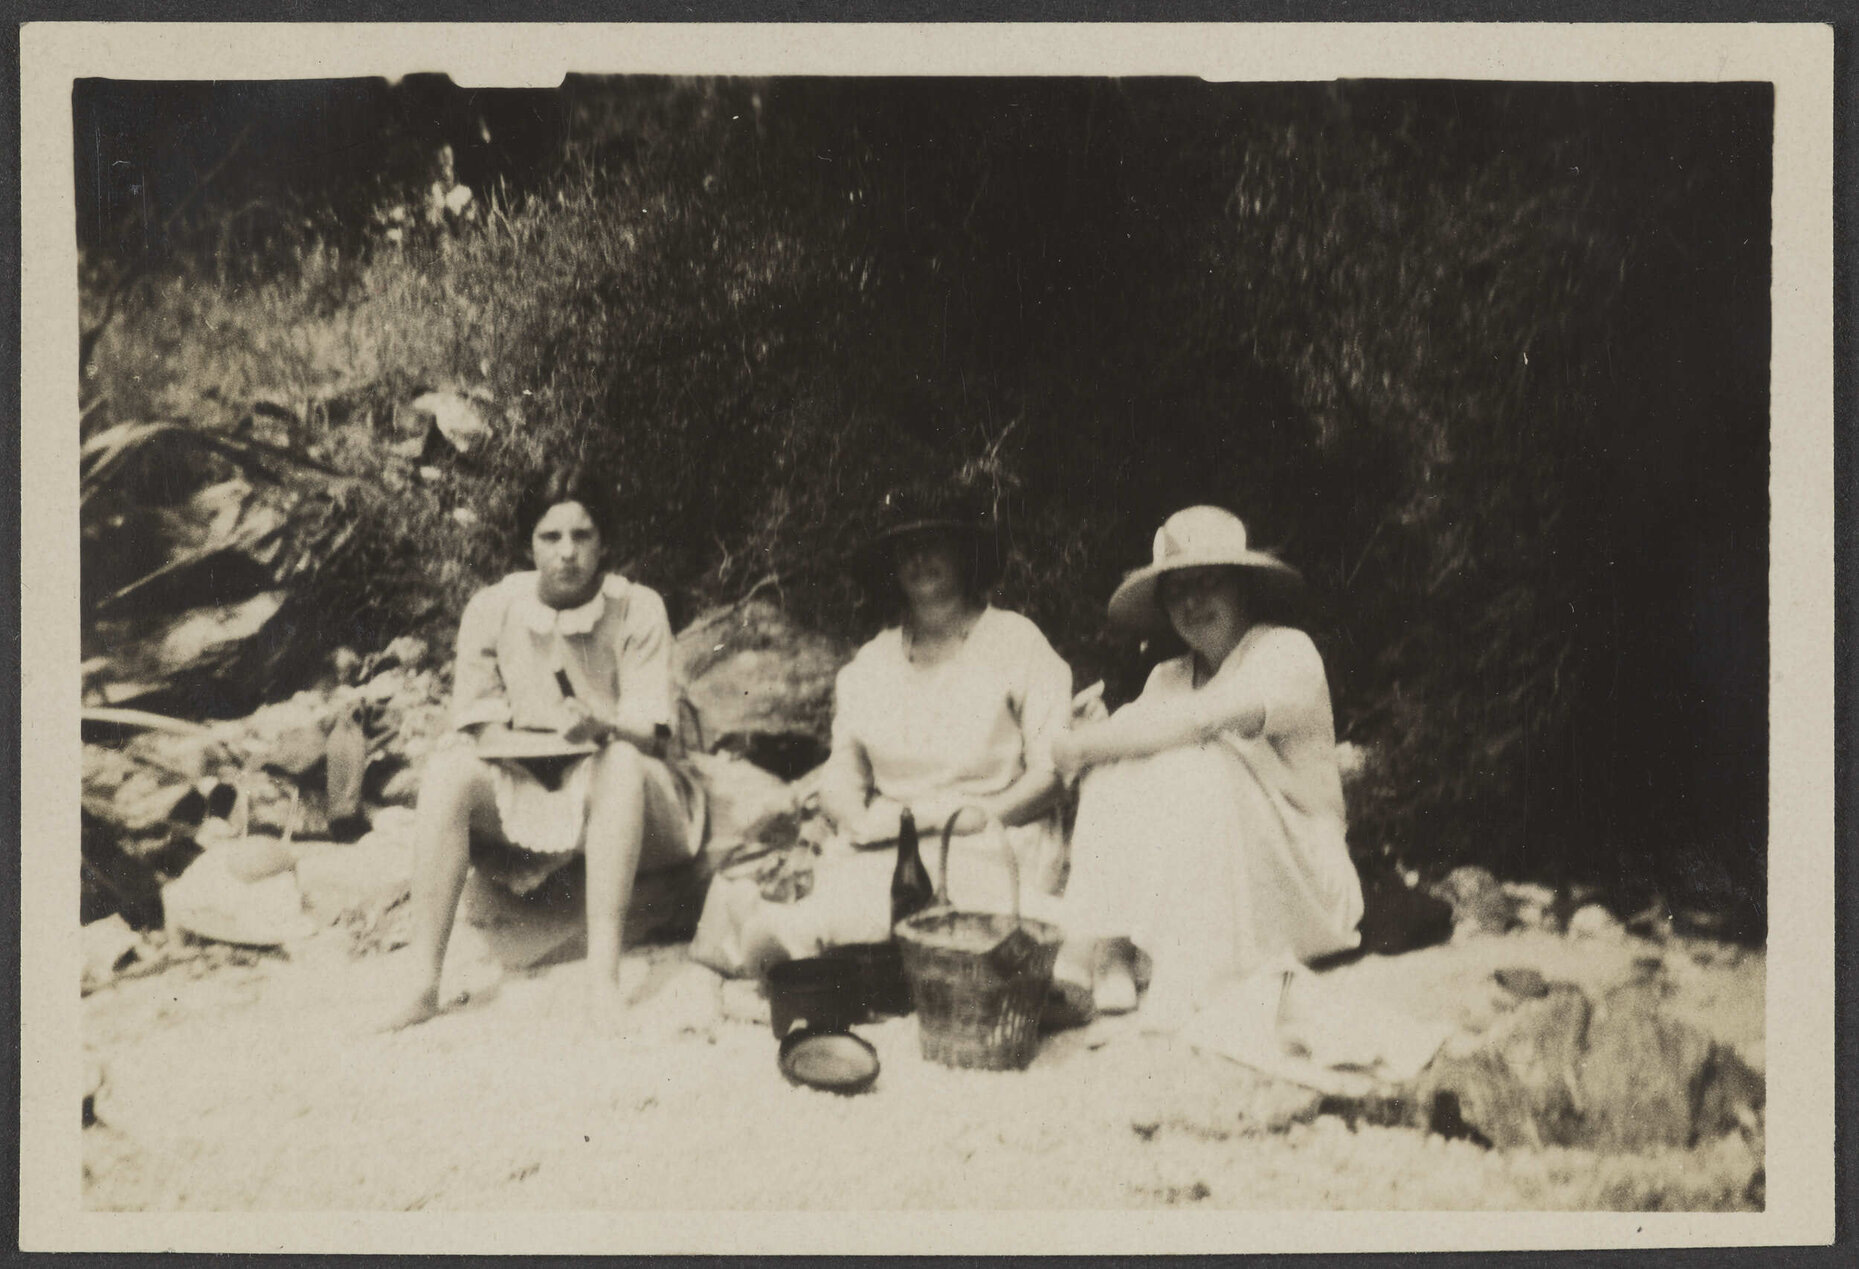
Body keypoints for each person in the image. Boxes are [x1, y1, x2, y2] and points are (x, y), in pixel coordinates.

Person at [690, 487, 1073, 973]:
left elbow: (1052, 773)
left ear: (964, 552)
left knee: (966, 905)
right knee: (857, 886)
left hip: (993, 832)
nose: (919, 558)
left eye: (934, 543)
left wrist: (984, 814)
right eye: (905, 548)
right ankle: (806, 953)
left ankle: (834, 952)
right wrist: (856, 821)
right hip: (893, 840)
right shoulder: (870, 665)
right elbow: (842, 778)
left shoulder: (1017, 642)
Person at [380, 464, 702, 1030]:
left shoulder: (637, 606)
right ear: (529, 543)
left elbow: (652, 732)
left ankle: (603, 983)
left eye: (582, 536)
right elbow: (476, 724)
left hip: (634, 798)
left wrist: (603, 726)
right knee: (448, 773)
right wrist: (546, 743)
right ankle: (422, 982)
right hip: (535, 787)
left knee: (621, 762)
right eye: (550, 537)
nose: (567, 553)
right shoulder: (493, 608)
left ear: (604, 542)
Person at [1051, 505, 1365, 1023]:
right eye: (1177, 589)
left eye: (1209, 582)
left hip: (1306, 876)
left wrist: (1091, 745)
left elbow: (1208, 721)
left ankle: (1189, 965)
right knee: (1118, 763)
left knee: (1203, 758)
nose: (1193, 602)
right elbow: (1131, 747)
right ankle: (1113, 947)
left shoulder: (1287, 652)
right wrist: (1093, 733)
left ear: (1242, 587)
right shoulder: (1168, 677)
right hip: (1225, 867)